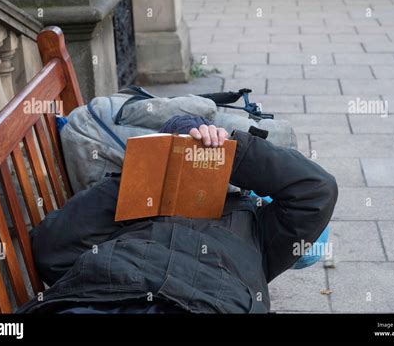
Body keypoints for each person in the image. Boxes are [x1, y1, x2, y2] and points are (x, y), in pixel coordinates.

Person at [17, 115, 338, 314]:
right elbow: (50, 249)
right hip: (102, 297)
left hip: (210, 302)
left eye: (199, 154)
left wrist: (234, 152)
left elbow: (316, 190)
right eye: (180, 153)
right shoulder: (133, 210)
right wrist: (136, 181)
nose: (191, 164)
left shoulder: (258, 227)